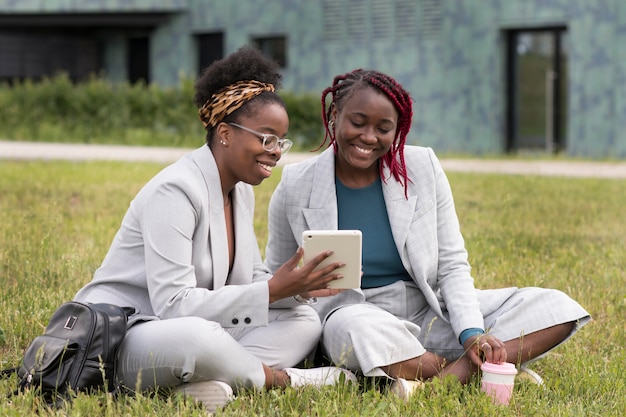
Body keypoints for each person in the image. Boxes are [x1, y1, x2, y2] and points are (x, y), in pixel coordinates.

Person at [264, 68, 590, 398]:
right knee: (354, 329)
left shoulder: (422, 167)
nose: (368, 137)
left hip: (428, 309)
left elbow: (451, 265)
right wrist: (305, 286)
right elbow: (275, 279)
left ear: (398, 129)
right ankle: (484, 373)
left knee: (556, 306)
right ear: (335, 115)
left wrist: (472, 333)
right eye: (358, 123)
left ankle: (439, 376)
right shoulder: (295, 184)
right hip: (353, 314)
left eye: (383, 128)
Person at [73, 46, 355, 414]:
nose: (276, 152)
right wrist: (271, 290)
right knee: (200, 337)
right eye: (266, 138)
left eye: (281, 141)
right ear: (224, 133)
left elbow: (250, 278)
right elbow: (173, 307)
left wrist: (297, 288)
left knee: (303, 320)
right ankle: (283, 380)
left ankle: (208, 384)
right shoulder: (175, 190)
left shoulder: (238, 191)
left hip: (190, 333)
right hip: (126, 338)